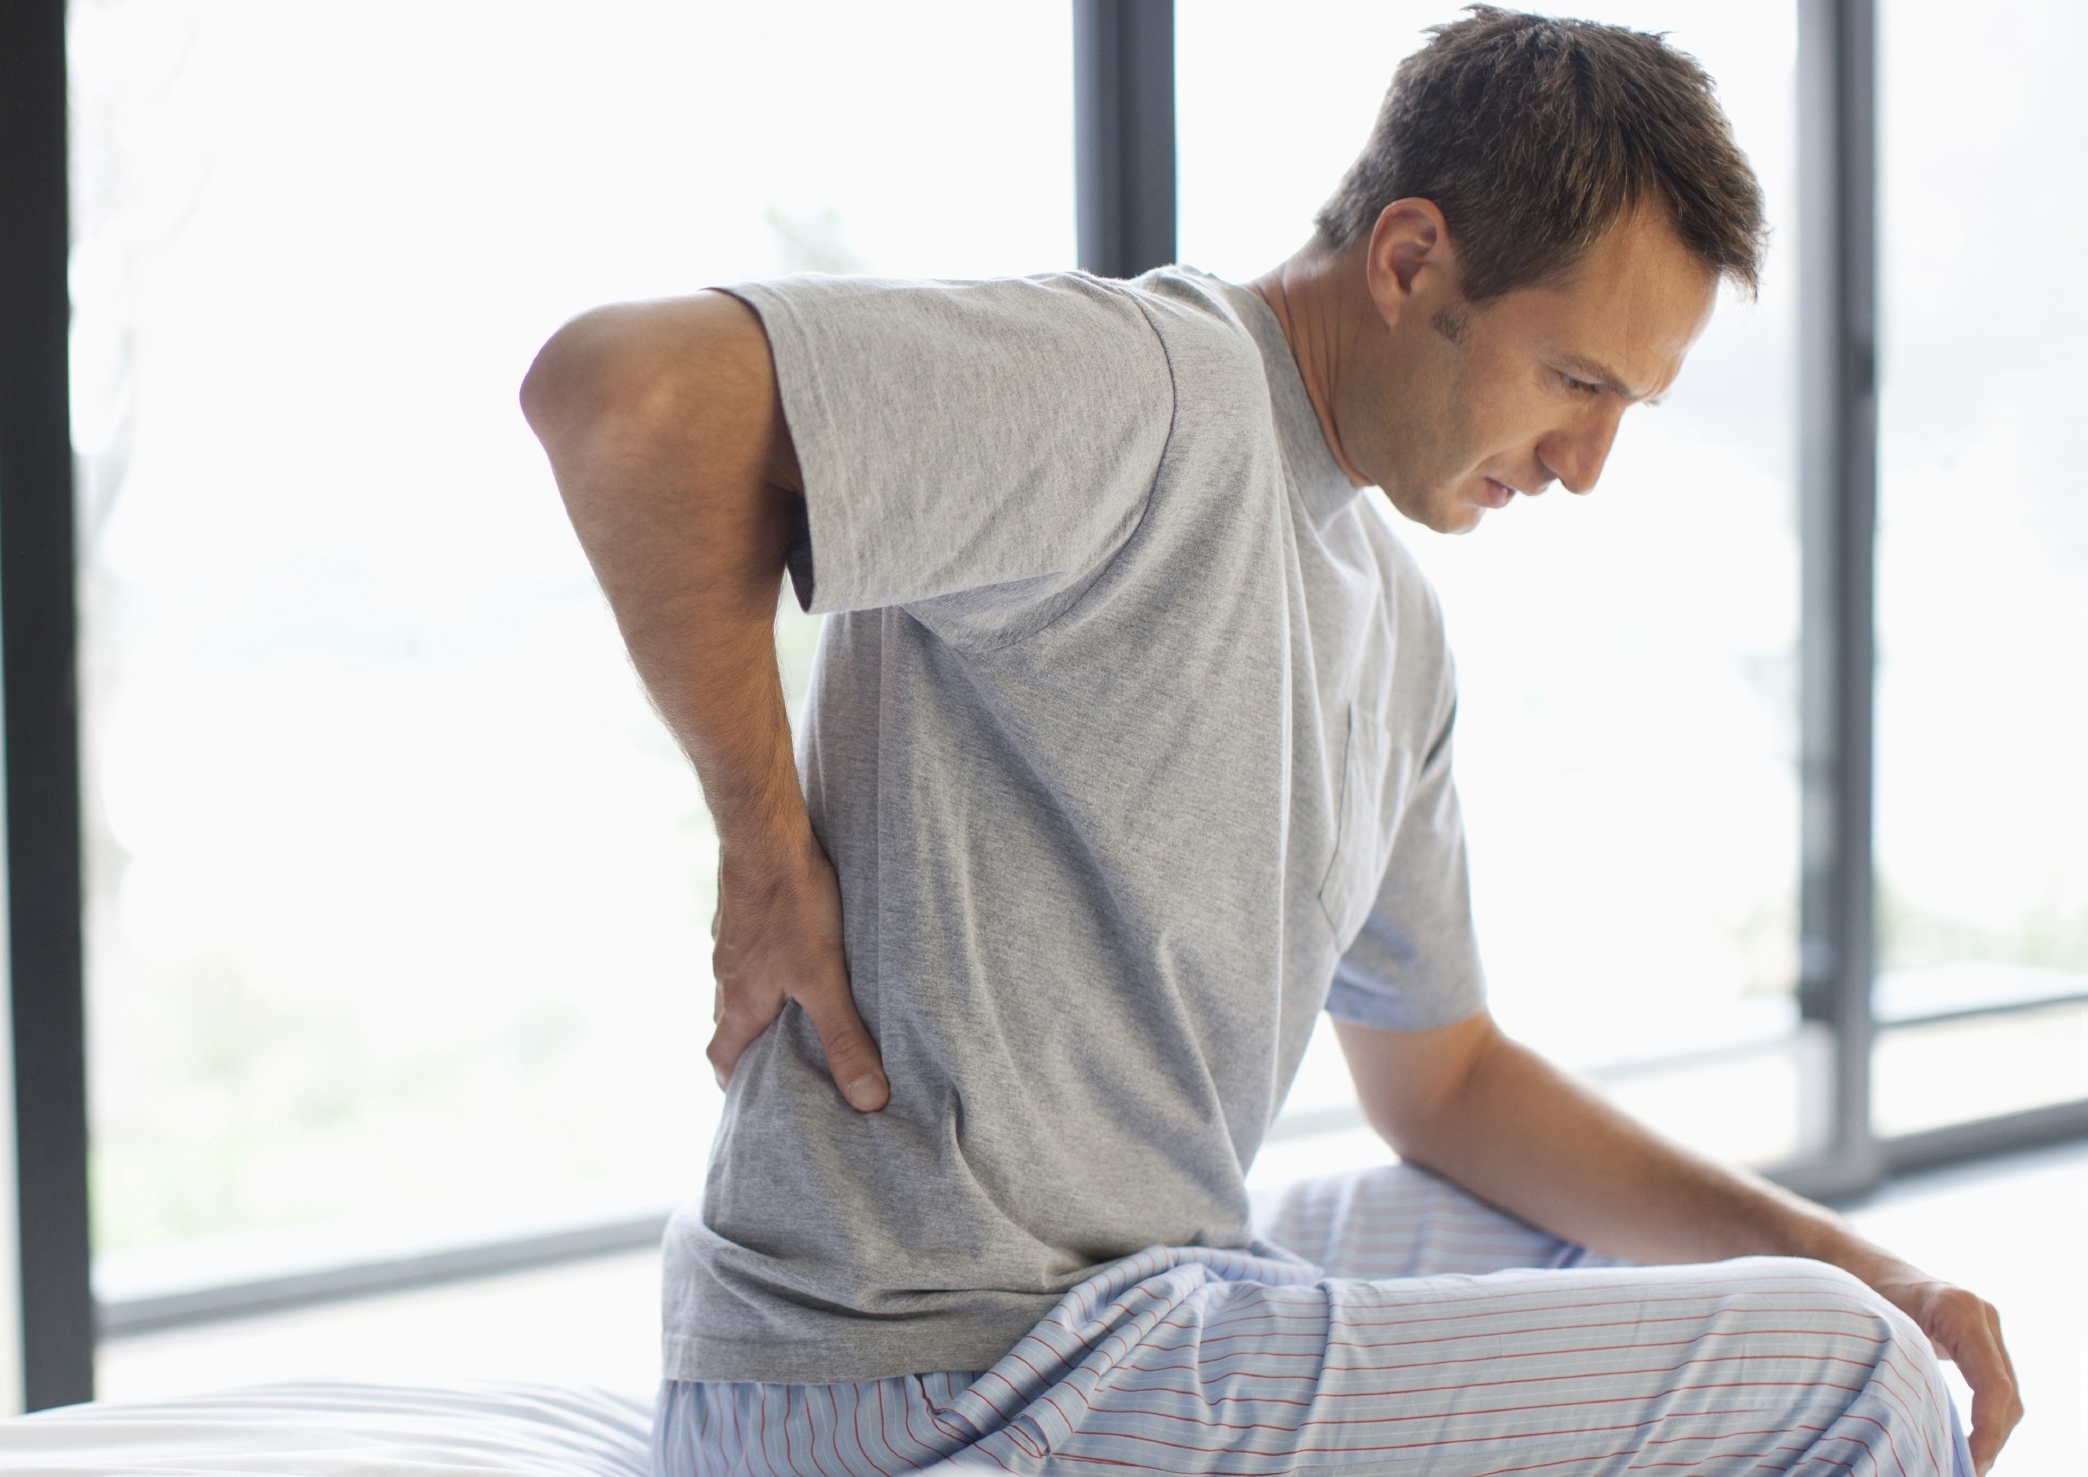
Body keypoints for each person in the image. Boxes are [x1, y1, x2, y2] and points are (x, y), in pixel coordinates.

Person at [522, 9, 2021, 1474]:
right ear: (1408, 256)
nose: (1585, 466)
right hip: (927, 1376)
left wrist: (1853, 1259)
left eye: (1626, 407)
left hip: (1146, 1293)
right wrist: (765, 849)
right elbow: (626, 395)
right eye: (1575, 383)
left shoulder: (1395, 619)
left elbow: (1439, 1084)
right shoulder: (1148, 396)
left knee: (1677, 1265)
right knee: (1855, 1386)